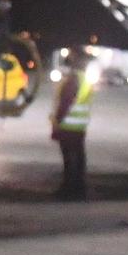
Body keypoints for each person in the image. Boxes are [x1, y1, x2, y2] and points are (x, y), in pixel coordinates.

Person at [49, 47, 96, 200]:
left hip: (68, 126)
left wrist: (57, 122)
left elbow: (66, 102)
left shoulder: (73, 80)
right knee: (79, 156)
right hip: (80, 126)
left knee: (69, 159)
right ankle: (79, 187)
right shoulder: (86, 80)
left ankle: (68, 188)